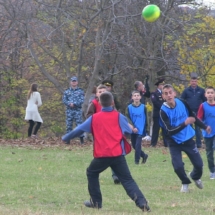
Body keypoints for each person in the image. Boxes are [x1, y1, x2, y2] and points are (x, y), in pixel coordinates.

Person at [62, 91, 150, 212]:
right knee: (127, 179)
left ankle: (96, 202)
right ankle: (142, 203)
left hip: (102, 155)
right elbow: (129, 131)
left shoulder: (94, 118)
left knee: (92, 173)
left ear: (100, 103)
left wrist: (66, 138)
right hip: (117, 154)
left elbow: (79, 129)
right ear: (112, 103)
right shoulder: (119, 116)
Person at [159, 84, 211, 193]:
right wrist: (184, 123)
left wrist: (205, 127)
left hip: (187, 139)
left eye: (170, 92)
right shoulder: (163, 111)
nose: (169, 95)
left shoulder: (182, 102)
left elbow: (193, 117)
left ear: (174, 93)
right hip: (173, 141)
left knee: (199, 165)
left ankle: (195, 176)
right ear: (163, 96)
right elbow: (170, 131)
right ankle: (185, 182)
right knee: (177, 166)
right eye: (166, 93)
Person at [86, 84, 121, 185]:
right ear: (96, 94)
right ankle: (95, 171)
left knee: (114, 153)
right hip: (99, 134)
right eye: (99, 92)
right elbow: (88, 116)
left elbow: (115, 116)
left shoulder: (110, 104)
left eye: (103, 92)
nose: (101, 93)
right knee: (102, 155)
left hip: (110, 134)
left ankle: (115, 175)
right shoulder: (93, 104)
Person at [181, 76, 206, 148]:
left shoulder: (201, 90)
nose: (194, 83)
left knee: (198, 128)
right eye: (192, 81)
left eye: (195, 81)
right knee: (189, 128)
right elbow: (182, 100)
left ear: (197, 82)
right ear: (190, 82)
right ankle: (190, 143)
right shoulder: (186, 91)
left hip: (198, 112)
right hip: (189, 112)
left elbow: (205, 101)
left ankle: (198, 144)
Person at [197, 86, 215, 179]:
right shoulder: (203, 106)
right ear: (205, 95)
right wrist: (204, 126)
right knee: (209, 153)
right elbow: (198, 119)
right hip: (208, 133)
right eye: (208, 93)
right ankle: (212, 171)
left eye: (212, 92)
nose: (210, 94)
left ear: (214, 94)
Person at [127, 90, 148, 164]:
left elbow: (146, 118)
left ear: (140, 97)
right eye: (134, 96)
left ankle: (136, 161)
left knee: (138, 145)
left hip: (140, 129)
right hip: (133, 129)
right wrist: (132, 127)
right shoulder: (129, 107)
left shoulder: (143, 107)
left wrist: (146, 129)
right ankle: (144, 155)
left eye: (137, 95)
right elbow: (128, 118)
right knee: (134, 145)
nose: (136, 97)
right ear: (132, 97)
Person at [62, 76, 85, 144]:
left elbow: (82, 100)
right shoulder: (67, 91)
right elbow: (64, 100)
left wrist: (75, 104)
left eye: (75, 81)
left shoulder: (80, 91)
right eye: (72, 81)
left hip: (77, 110)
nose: (74, 83)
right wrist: (69, 104)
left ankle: (81, 140)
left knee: (79, 125)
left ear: (77, 82)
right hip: (69, 110)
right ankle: (68, 140)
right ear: (70, 82)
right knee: (69, 125)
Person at [150, 78, 167, 147]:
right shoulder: (154, 93)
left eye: (163, 84)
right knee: (156, 129)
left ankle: (166, 143)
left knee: (165, 129)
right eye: (161, 84)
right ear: (158, 85)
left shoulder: (165, 93)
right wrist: (164, 106)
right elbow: (155, 102)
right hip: (157, 114)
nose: (163, 86)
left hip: (164, 114)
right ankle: (153, 143)